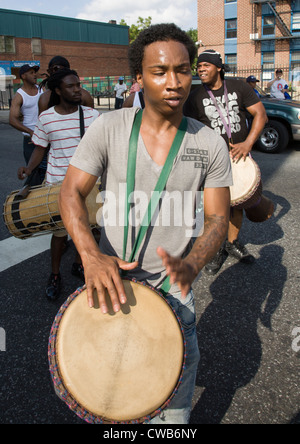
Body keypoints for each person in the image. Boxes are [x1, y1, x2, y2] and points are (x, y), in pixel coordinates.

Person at [59, 23, 233, 424]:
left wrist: (192, 264)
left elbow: (218, 219)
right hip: (114, 286)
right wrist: (90, 254)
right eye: (159, 71)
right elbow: (70, 192)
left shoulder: (209, 144)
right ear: (139, 77)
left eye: (182, 69)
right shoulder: (109, 128)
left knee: (172, 413)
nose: (173, 82)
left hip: (174, 292)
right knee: (111, 396)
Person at [17, 68, 99, 301]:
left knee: (92, 230)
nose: (78, 90)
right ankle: (54, 274)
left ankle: (77, 264)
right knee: (60, 233)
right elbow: (40, 148)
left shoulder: (92, 115)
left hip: (89, 184)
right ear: (57, 90)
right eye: (71, 86)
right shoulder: (46, 118)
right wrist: (29, 169)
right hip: (58, 186)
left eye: (78, 85)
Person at [184, 49, 268, 275]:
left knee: (237, 204)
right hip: (211, 162)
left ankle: (232, 243)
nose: (200, 69)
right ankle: (215, 249)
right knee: (213, 210)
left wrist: (248, 144)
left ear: (219, 67)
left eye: (206, 65)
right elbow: (187, 129)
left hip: (239, 157)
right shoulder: (194, 96)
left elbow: (260, 114)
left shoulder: (240, 87)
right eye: (199, 66)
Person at [9, 64, 47, 185]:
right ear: (23, 76)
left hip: (45, 137)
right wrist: (31, 132)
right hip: (31, 141)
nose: (35, 74)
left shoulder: (42, 89)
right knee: (34, 175)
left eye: (35, 72)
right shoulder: (19, 95)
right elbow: (12, 120)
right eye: (31, 73)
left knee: (48, 172)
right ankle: (25, 200)